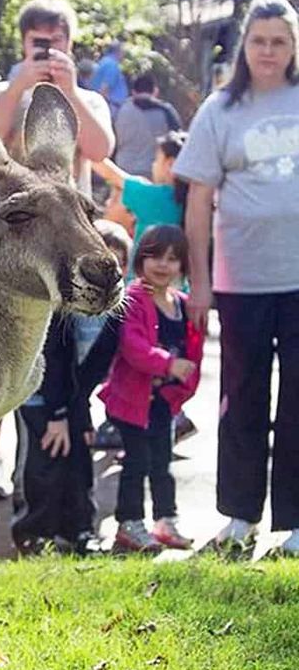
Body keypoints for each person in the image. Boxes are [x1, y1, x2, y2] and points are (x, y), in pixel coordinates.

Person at [0, 0, 114, 500]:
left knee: (62, 361)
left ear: (70, 44)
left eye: (56, 41)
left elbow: (99, 150)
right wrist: (19, 86)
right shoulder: (2, 91)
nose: (48, 50)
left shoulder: (87, 98)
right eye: (39, 42)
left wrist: (69, 91)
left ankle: (61, 459)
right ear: (23, 43)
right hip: (10, 251)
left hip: (65, 251)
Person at [175, 0, 299, 555]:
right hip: (241, 280)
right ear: (244, 47)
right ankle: (239, 518)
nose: (268, 51)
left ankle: (295, 527)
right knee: (241, 398)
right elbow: (199, 201)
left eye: (279, 40)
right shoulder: (219, 112)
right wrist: (198, 282)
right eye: (259, 40)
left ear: (294, 46)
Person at [11, 220, 131, 556]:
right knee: (46, 460)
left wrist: (78, 416)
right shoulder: (63, 307)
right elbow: (54, 364)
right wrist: (59, 415)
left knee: (80, 457)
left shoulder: (115, 314)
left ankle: (79, 530)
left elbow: (90, 374)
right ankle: (33, 531)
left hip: (72, 400)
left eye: (118, 263)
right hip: (41, 396)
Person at [99, 225, 203, 553]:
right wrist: (167, 364)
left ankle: (165, 521)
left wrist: (183, 382)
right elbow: (133, 346)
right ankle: (129, 525)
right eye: (155, 256)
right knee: (137, 462)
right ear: (140, 260)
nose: (162, 265)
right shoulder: (133, 299)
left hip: (162, 402)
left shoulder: (182, 303)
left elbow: (193, 349)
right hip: (132, 400)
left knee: (162, 463)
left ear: (182, 267)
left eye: (172, 259)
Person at [93, 130, 187, 262]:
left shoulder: (156, 197)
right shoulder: (192, 202)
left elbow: (110, 174)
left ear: (170, 164)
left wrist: (87, 146)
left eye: (156, 160)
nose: (153, 165)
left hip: (144, 279)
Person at [112, 72, 181, 176]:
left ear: (133, 91)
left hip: (122, 171)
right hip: (153, 172)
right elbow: (177, 142)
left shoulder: (121, 110)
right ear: (155, 91)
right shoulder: (166, 111)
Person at [89, 38, 129, 117]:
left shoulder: (104, 62)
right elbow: (105, 88)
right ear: (118, 52)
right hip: (111, 107)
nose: (124, 54)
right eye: (123, 51)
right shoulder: (111, 65)